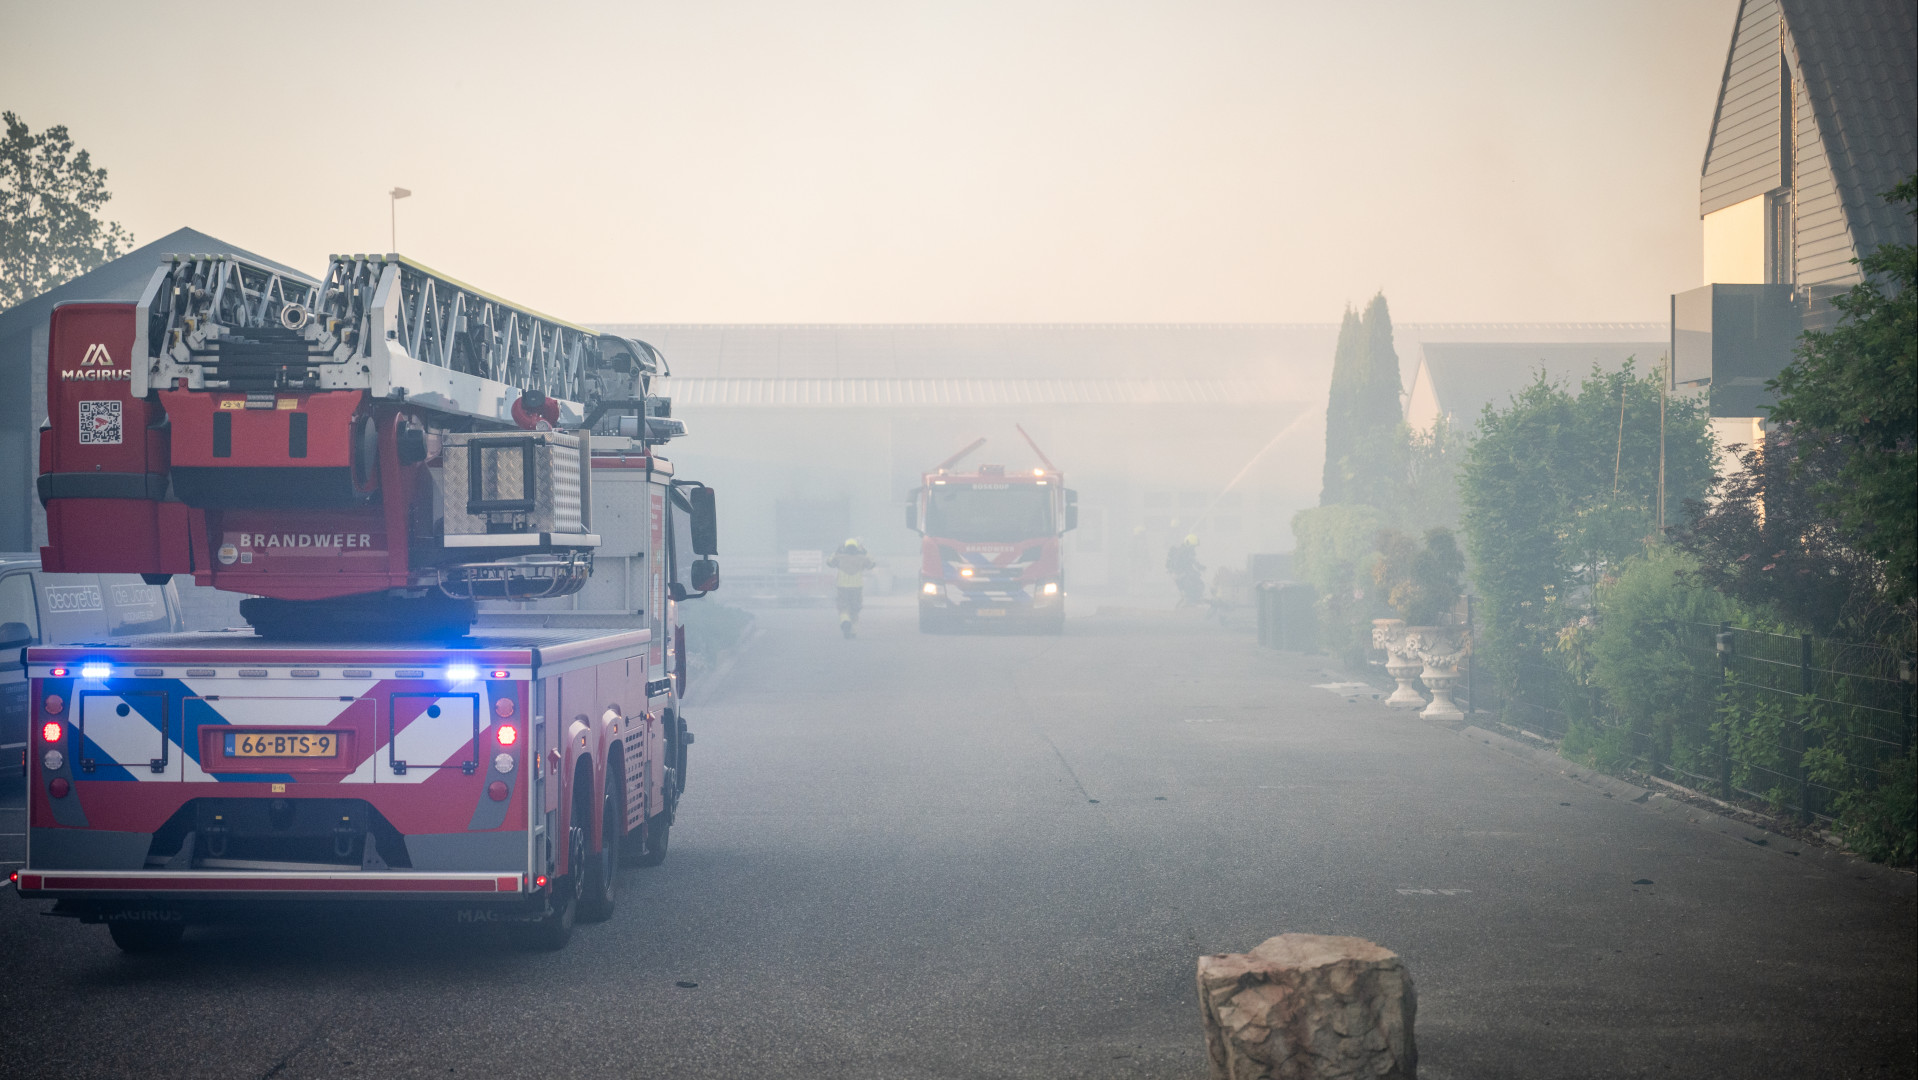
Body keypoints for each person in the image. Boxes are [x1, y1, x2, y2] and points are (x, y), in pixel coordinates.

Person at [829, 538, 874, 638]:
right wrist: (865, 552)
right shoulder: (862, 558)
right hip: (857, 587)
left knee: (843, 607)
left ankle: (845, 620)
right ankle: (853, 630)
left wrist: (836, 551)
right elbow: (871, 564)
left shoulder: (839, 557)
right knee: (855, 609)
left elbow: (830, 562)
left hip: (842, 587)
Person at [1167, 534, 1205, 607]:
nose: (1194, 548)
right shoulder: (1181, 553)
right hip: (1180, 574)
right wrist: (1184, 572)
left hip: (1183, 574)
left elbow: (1193, 561)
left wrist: (1200, 567)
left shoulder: (1188, 552)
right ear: (1188, 545)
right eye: (1193, 546)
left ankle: (1194, 599)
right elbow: (1178, 566)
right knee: (1193, 584)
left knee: (1198, 582)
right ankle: (1192, 600)